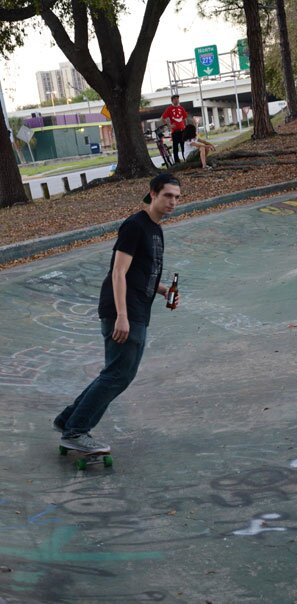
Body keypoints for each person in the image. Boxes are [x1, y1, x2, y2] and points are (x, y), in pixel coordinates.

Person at [53, 174, 181, 453]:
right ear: (153, 194)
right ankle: (76, 431)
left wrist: (162, 290)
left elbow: (140, 272)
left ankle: (68, 420)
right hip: (123, 310)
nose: (172, 201)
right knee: (117, 375)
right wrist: (122, 315)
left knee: (117, 373)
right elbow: (118, 272)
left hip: (136, 308)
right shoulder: (135, 226)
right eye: (167, 195)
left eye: (176, 197)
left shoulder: (155, 229)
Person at [161, 95, 188, 163]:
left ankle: (186, 159)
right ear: (172, 100)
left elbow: (185, 119)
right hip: (175, 132)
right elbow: (162, 118)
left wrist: (186, 128)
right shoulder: (169, 109)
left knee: (184, 146)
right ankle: (177, 162)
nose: (176, 100)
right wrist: (169, 126)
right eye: (175, 99)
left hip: (183, 131)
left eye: (177, 99)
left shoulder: (181, 108)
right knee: (175, 147)